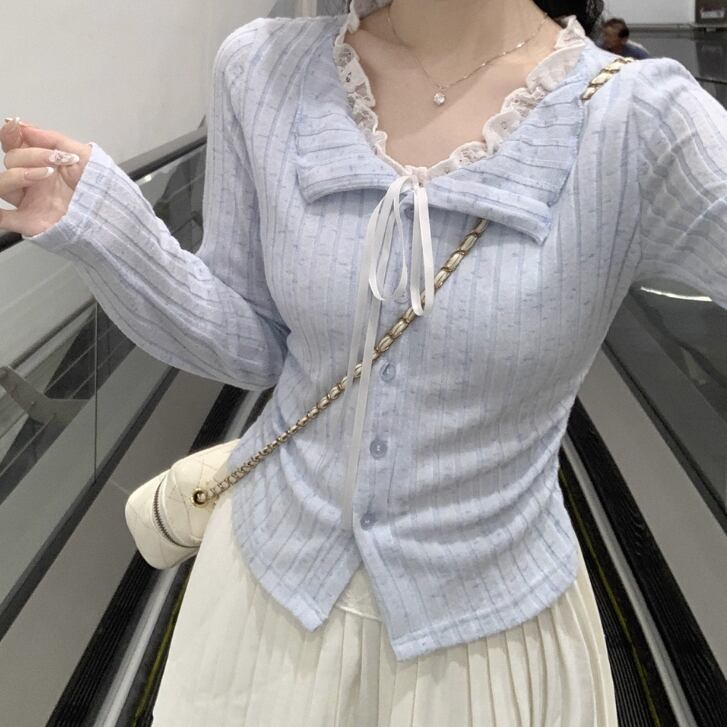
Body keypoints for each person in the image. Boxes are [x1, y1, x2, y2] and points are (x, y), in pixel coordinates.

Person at [2, 0, 727, 723]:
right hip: (261, 610)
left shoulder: (638, 121)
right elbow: (252, 341)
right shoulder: (262, 69)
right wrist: (108, 228)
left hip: (487, 647)